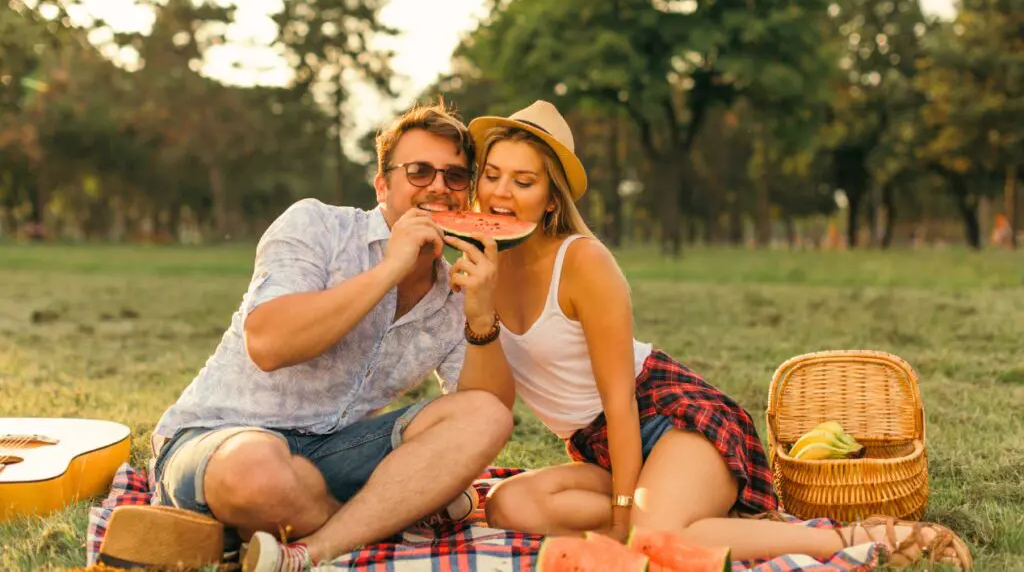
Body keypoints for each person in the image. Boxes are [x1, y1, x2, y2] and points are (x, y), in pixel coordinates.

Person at [443, 100, 973, 570]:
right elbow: (496, 399)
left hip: (668, 420)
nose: (500, 193)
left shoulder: (583, 261)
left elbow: (622, 405)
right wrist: (479, 315)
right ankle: (680, 507)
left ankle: (852, 537)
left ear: (551, 199)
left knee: (652, 538)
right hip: (596, 448)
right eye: (491, 175)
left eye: (524, 181)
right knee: (508, 505)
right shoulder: (478, 266)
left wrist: (626, 515)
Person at [148, 102, 514, 572]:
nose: (439, 187)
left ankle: (307, 547)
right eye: (419, 171)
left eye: (456, 177)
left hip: (337, 449)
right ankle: (386, 516)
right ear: (382, 185)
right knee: (256, 475)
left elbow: (487, 414)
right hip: (221, 436)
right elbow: (269, 344)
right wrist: (390, 270)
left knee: (485, 415)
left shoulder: (458, 284)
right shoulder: (316, 225)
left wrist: (481, 318)